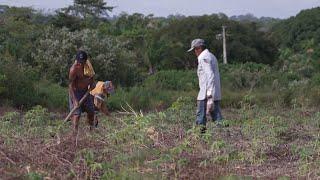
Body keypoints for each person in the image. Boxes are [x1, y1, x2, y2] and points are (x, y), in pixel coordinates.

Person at [187, 39, 223, 133]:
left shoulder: (203, 57)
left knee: (201, 117)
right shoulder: (211, 56)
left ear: (198, 48)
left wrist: (209, 95)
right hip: (211, 92)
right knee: (217, 116)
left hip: (206, 93)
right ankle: (224, 136)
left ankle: (200, 138)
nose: (194, 52)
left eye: (195, 50)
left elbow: (210, 75)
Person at [68, 50, 95, 134]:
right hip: (75, 93)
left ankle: (91, 131)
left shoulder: (88, 67)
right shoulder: (73, 70)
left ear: (85, 61)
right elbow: (70, 86)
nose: (80, 64)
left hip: (85, 92)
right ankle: (74, 136)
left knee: (91, 112)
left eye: (82, 62)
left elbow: (92, 78)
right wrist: (75, 100)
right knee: (76, 115)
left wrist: (92, 85)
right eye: (78, 62)